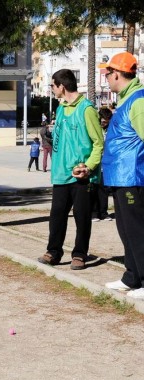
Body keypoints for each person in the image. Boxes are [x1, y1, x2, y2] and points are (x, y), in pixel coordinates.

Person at [37, 69, 104, 270]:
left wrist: (89, 167)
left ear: (62, 86)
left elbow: (99, 143)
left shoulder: (87, 109)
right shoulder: (60, 108)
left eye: (52, 86)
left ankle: (80, 254)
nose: (51, 89)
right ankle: (54, 251)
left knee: (82, 216)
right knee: (57, 214)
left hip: (81, 176)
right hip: (60, 174)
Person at [101, 52, 144, 298]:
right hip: (120, 177)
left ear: (116, 74)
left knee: (137, 229)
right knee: (126, 229)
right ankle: (132, 277)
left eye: (107, 74)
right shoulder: (127, 100)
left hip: (133, 177)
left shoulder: (138, 101)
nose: (106, 79)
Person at [91, 107, 113, 222]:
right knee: (94, 189)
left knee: (104, 190)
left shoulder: (110, 130)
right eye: (103, 121)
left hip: (106, 165)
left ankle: (103, 213)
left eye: (106, 122)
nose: (104, 124)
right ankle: (94, 213)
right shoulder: (95, 128)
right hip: (95, 163)